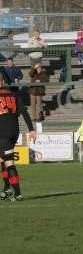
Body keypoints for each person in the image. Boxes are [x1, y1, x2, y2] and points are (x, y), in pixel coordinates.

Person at [0, 72, 36, 201]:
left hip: (2, 132)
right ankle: (6, 188)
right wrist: (31, 129)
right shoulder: (14, 95)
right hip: (13, 132)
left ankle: (17, 193)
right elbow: (24, 112)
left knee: (8, 162)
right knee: (3, 160)